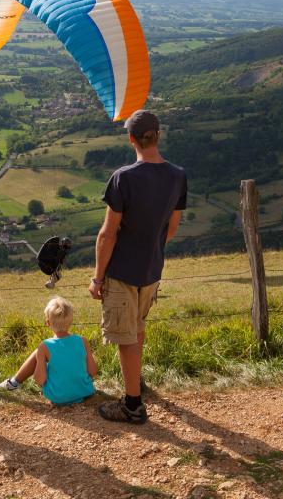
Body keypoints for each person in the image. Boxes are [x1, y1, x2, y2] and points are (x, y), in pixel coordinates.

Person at [89, 110, 187, 424]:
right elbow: (172, 226)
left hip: (122, 272)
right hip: (151, 270)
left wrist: (97, 277)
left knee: (126, 337)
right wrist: (152, 250)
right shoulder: (177, 175)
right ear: (157, 136)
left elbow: (108, 233)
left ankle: (133, 405)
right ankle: (136, 383)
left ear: (132, 139)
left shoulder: (124, 178)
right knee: (138, 329)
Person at [0, 297, 97, 405]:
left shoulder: (45, 346)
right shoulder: (82, 341)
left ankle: (12, 383)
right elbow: (93, 371)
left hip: (58, 397)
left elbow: (40, 380)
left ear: (47, 323)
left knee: (42, 355)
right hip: (84, 393)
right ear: (71, 321)